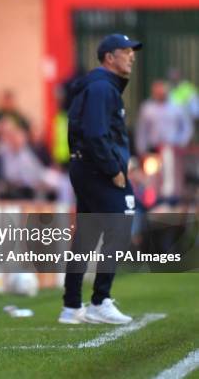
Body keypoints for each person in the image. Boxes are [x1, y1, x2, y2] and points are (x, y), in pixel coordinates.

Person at [59, 34, 142, 325]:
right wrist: (113, 170)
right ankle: (99, 301)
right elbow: (95, 134)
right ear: (110, 57)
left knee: (87, 236)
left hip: (86, 168)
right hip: (98, 170)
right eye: (126, 51)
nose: (132, 56)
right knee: (119, 226)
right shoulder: (102, 88)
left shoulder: (99, 87)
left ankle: (71, 306)